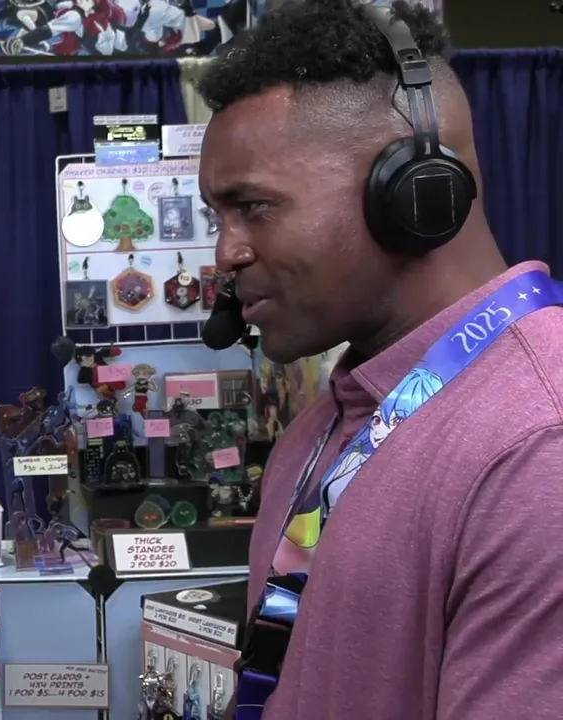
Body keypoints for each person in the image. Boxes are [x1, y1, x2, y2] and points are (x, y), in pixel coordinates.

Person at [197, 1, 563, 718]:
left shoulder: (536, 451)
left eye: (255, 207)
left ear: (416, 192)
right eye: (220, 217)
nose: (226, 252)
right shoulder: (322, 429)